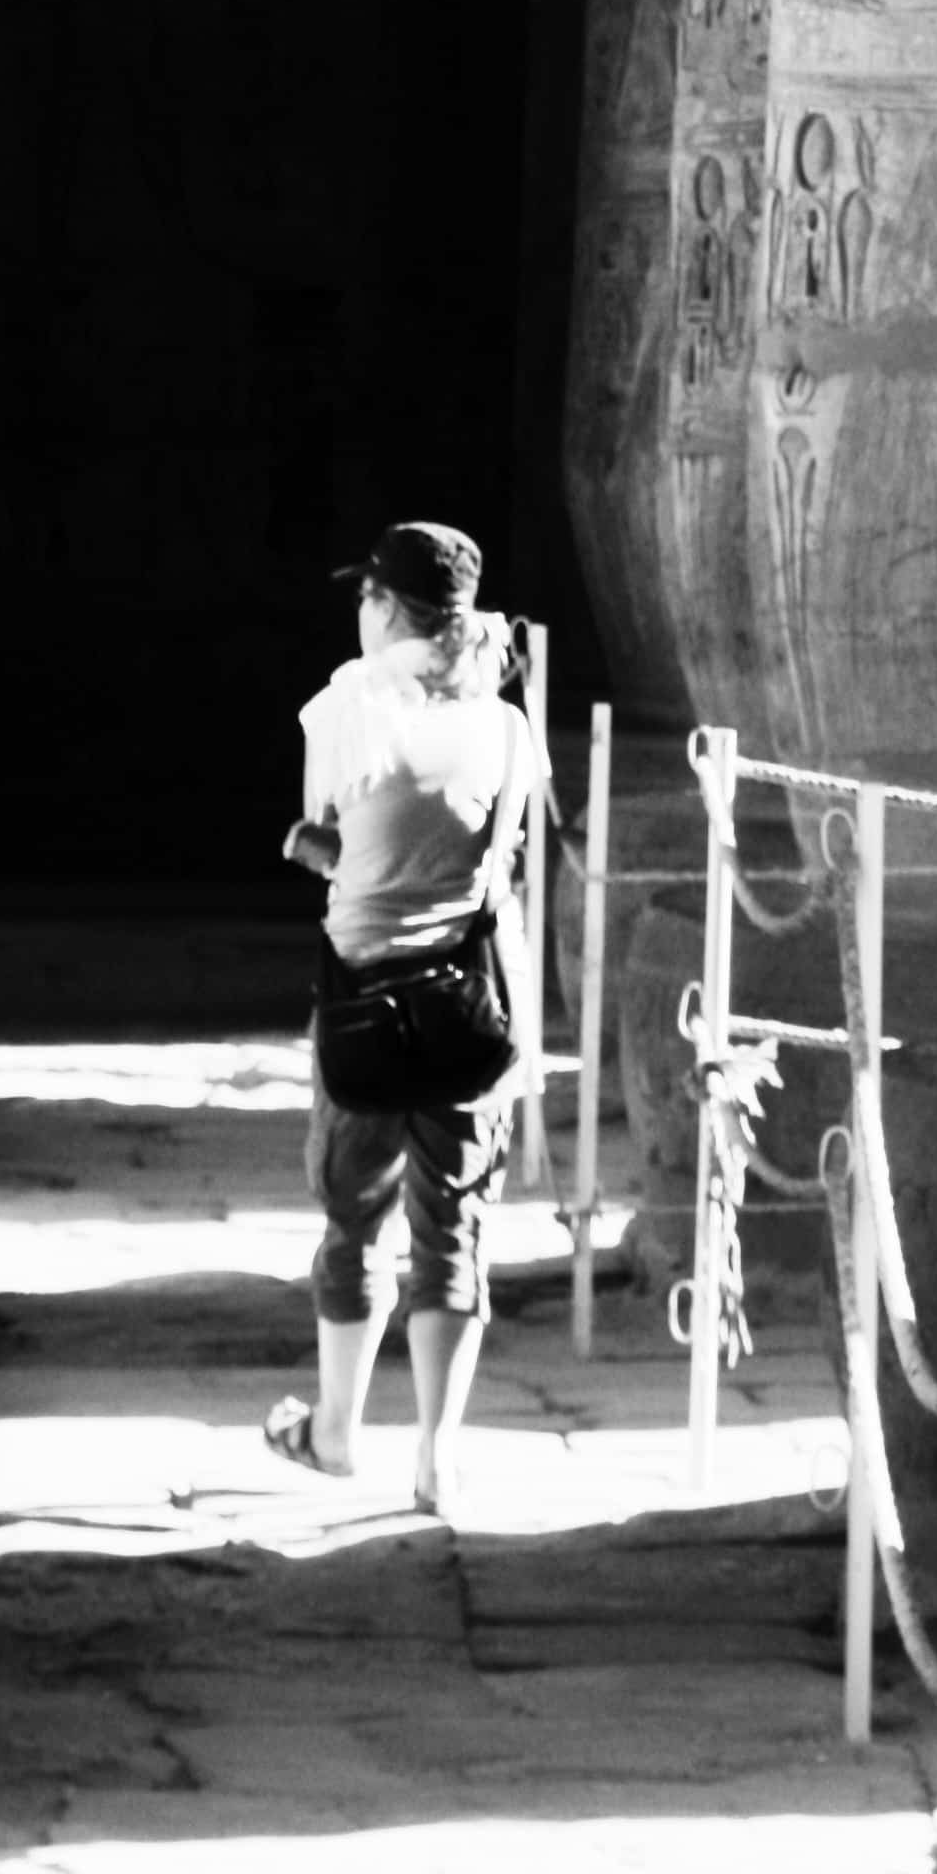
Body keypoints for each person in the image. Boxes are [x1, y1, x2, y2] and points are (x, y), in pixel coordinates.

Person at [265, 519, 536, 1517]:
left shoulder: (345, 705)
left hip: (365, 1001)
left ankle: (336, 1431)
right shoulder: (506, 727)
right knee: (450, 1230)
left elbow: (324, 844)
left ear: (384, 606)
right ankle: (437, 1459)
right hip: (466, 1012)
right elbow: (497, 872)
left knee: (352, 1222)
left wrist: (341, 857)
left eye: (365, 597)